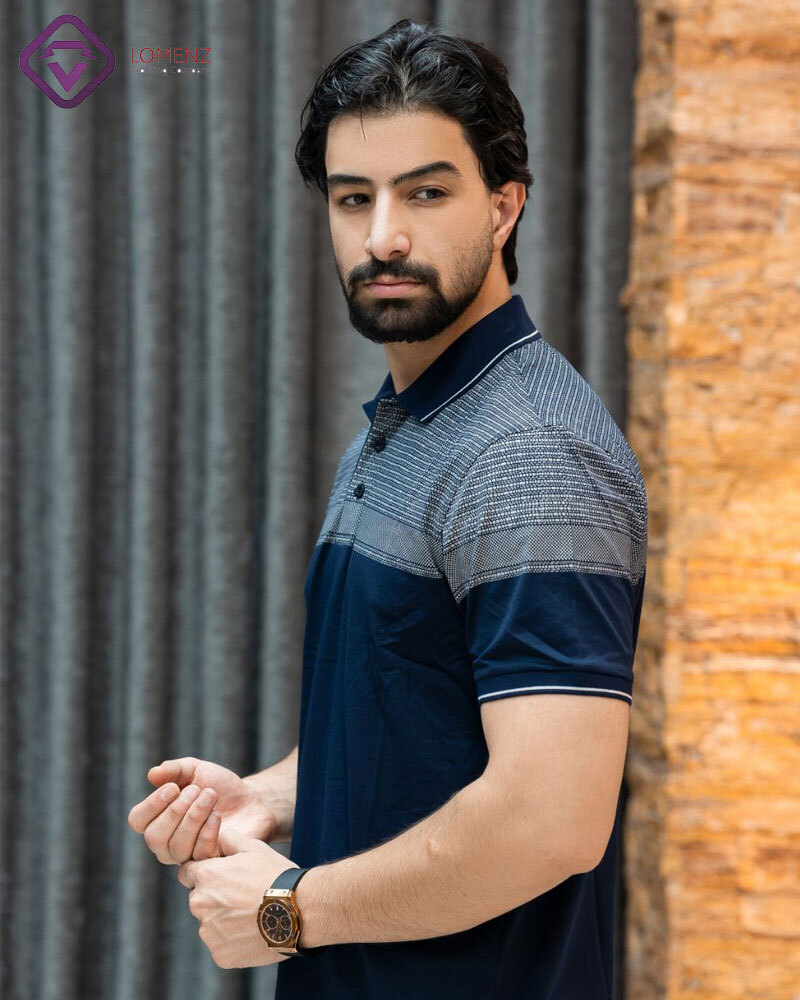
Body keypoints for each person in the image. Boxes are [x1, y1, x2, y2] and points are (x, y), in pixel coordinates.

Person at [128, 17, 647, 999]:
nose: (382, 237)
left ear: (504, 206)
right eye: (353, 197)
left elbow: (550, 823)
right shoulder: (410, 422)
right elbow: (415, 716)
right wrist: (269, 796)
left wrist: (291, 909)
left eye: (426, 192)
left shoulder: (530, 454)